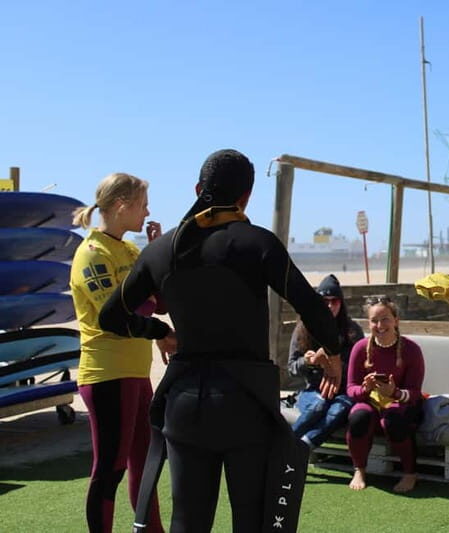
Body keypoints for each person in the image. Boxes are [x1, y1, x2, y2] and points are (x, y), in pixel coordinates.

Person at [98, 149, 341, 532]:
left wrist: (158, 331)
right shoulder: (258, 243)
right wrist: (334, 351)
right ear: (246, 197)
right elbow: (315, 311)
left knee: (187, 522)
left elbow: (110, 316)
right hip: (245, 404)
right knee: (252, 520)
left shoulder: (163, 249)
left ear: (198, 189)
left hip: (184, 402)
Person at [69, 172, 165, 533]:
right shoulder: (91, 254)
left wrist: (156, 254)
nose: (148, 211)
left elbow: (158, 303)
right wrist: (160, 330)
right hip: (107, 374)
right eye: (142, 204)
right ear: (122, 206)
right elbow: (122, 315)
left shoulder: (129, 249)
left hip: (137, 373)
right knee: (110, 467)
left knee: (146, 464)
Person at [346, 297, 425, 493]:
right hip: (371, 402)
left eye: (385, 319)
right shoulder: (360, 348)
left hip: (401, 404)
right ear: (368, 323)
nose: (380, 325)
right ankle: (360, 469)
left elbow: (415, 392)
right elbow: (350, 388)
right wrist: (365, 389)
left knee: (393, 419)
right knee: (359, 416)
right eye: (374, 320)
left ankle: (409, 473)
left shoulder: (411, 350)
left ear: (396, 321)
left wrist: (395, 393)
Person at [288, 274, 364, 450]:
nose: (330, 306)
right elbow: (291, 368)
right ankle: (286, 444)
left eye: (335, 301)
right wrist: (307, 362)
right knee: (319, 404)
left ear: (341, 303)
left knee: (337, 410)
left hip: (343, 391)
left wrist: (331, 362)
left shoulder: (352, 331)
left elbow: (357, 369)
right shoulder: (303, 328)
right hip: (313, 390)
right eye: (325, 301)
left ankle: (302, 447)